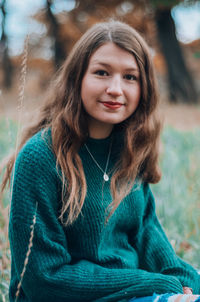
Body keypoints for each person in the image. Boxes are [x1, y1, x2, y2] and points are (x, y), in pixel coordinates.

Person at [1, 20, 200, 302]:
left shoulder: (130, 152)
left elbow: (150, 240)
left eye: (130, 77)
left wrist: (187, 283)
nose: (115, 89)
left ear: (144, 88)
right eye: (102, 73)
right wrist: (156, 284)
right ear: (78, 77)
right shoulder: (41, 158)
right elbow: (44, 279)